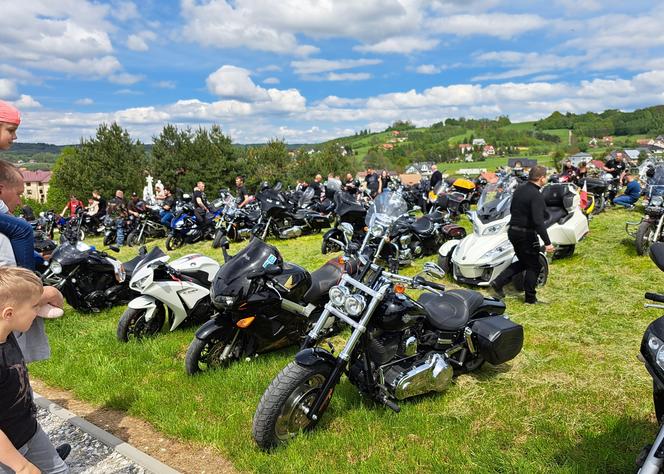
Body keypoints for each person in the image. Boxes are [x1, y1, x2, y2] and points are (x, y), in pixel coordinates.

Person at [0, 266, 69, 474]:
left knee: (60, 471)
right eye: (34, 307)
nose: (38, 312)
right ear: (9, 313)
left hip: (30, 429)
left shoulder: (8, 329)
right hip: (7, 451)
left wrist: (45, 292)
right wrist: (21, 466)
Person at [490, 166, 555, 304]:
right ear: (541, 178)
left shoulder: (520, 189)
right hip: (525, 234)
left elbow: (513, 209)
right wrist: (548, 243)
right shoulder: (535, 194)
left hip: (513, 231)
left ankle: (498, 282)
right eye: (546, 176)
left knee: (524, 262)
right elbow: (538, 221)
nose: (547, 179)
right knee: (534, 266)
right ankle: (530, 299)